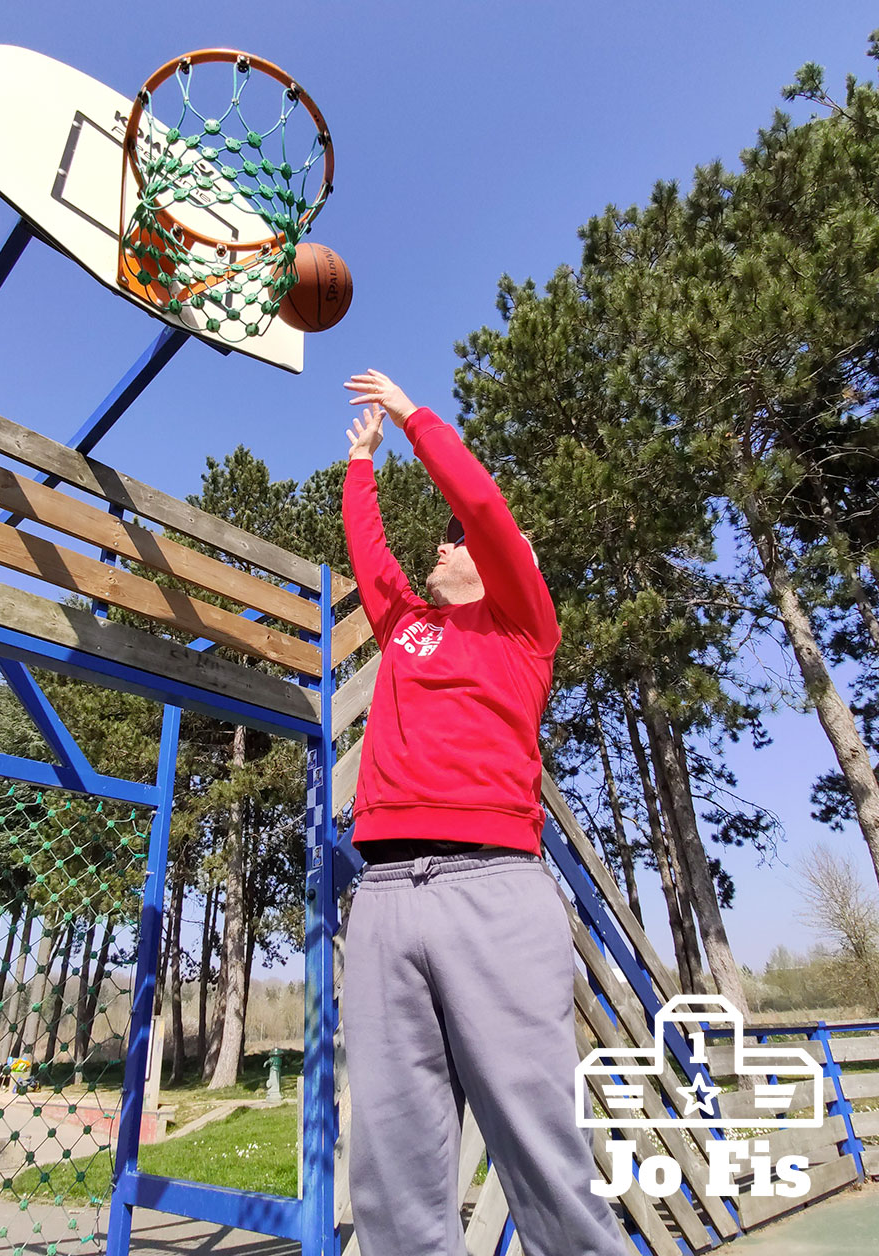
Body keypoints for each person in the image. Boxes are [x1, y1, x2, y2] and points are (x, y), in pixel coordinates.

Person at [339, 369, 624, 1256]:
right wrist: (362, 466)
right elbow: (369, 554)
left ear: (503, 566)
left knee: (539, 1150)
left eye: (457, 542)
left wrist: (413, 415)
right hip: (384, 893)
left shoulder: (523, 628)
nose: (447, 545)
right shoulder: (411, 627)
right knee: (392, 1173)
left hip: (493, 886)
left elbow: (485, 508)